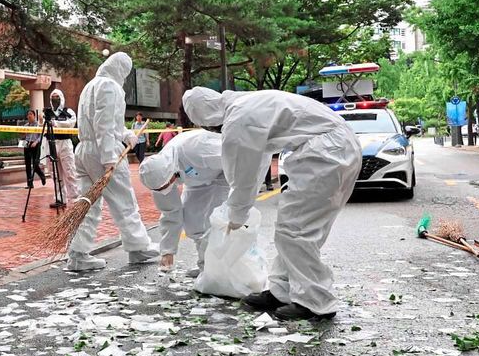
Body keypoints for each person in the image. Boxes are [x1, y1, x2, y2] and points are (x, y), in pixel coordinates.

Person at [182, 87, 361, 321]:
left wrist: (236, 214)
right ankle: (283, 291)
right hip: (335, 148)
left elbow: (242, 173)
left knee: (295, 231)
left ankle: (316, 302)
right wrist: (240, 208)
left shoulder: (239, 117)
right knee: (293, 229)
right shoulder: (248, 102)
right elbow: (258, 163)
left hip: (326, 153)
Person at [66, 52, 159, 271]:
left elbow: (110, 125)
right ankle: (138, 248)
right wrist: (109, 157)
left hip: (85, 151)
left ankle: (77, 254)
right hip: (102, 152)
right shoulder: (110, 87)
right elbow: (104, 124)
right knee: (123, 201)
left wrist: (127, 135)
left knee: (87, 204)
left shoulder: (91, 86)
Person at [139, 129, 230, 275]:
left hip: (226, 173)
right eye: (160, 189)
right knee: (193, 221)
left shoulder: (197, 149)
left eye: (165, 186)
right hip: (197, 179)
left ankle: (220, 270)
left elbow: (237, 157)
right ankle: (205, 267)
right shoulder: (157, 175)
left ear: (171, 174)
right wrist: (167, 251)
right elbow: (170, 212)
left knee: (215, 220)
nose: (164, 190)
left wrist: (242, 194)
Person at [48, 89, 80, 202]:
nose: (55, 99)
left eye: (57, 97)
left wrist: (56, 123)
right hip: (51, 143)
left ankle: (74, 196)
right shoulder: (48, 113)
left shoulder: (68, 112)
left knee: (69, 170)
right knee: (55, 173)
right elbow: (42, 125)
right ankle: (59, 197)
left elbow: (71, 123)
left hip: (65, 143)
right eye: (53, 97)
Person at [22, 110, 46, 188]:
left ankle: (42, 175)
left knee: (35, 164)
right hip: (27, 145)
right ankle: (29, 184)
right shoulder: (25, 125)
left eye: (31, 114)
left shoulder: (38, 125)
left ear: (34, 116)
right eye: (28, 114)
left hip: (35, 145)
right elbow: (23, 136)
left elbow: (41, 136)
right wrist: (22, 135)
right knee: (27, 165)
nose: (29, 116)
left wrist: (36, 142)